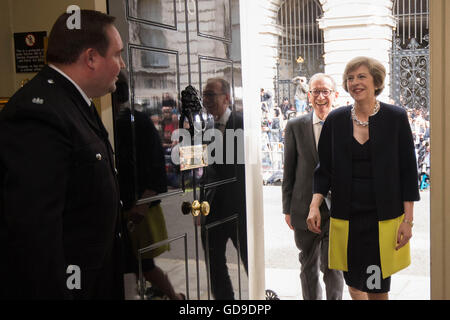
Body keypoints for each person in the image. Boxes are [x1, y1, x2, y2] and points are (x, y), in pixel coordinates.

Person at [0, 10, 125, 299]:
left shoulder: (74, 101)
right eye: (117, 55)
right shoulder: (39, 111)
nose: (121, 65)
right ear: (91, 58)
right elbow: (35, 232)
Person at [307, 56, 420, 300]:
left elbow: (408, 172)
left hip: (383, 220)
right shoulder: (335, 121)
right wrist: (314, 205)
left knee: (377, 286)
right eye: (350, 78)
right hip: (347, 218)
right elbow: (323, 169)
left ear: (376, 81)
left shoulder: (395, 118)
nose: (354, 82)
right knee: (354, 284)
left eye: (361, 76)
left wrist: (408, 221)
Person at [113, 72, 184, 300]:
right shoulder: (101, 120)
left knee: (144, 264)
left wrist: (143, 203)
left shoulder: (137, 121)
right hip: (121, 207)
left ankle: (176, 298)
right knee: (131, 264)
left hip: (138, 206)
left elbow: (154, 166)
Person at [282, 73, 344, 300]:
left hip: (336, 209)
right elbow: (288, 171)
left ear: (335, 95)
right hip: (302, 207)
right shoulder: (295, 126)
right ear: (308, 96)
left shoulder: (346, 125)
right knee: (307, 266)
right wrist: (287, 208)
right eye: (315, 91)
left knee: (332, 265)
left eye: (325, 91)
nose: (320, 97)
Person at [201, 78, 248, 299]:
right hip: (212, 211)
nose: (205, 100)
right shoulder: (207, 127)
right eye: (205, 95)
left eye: (211, 95)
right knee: (215, 265)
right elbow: (206, 171)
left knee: (250, 261)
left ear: (226, 98)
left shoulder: (242, 123)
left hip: (238, 212)